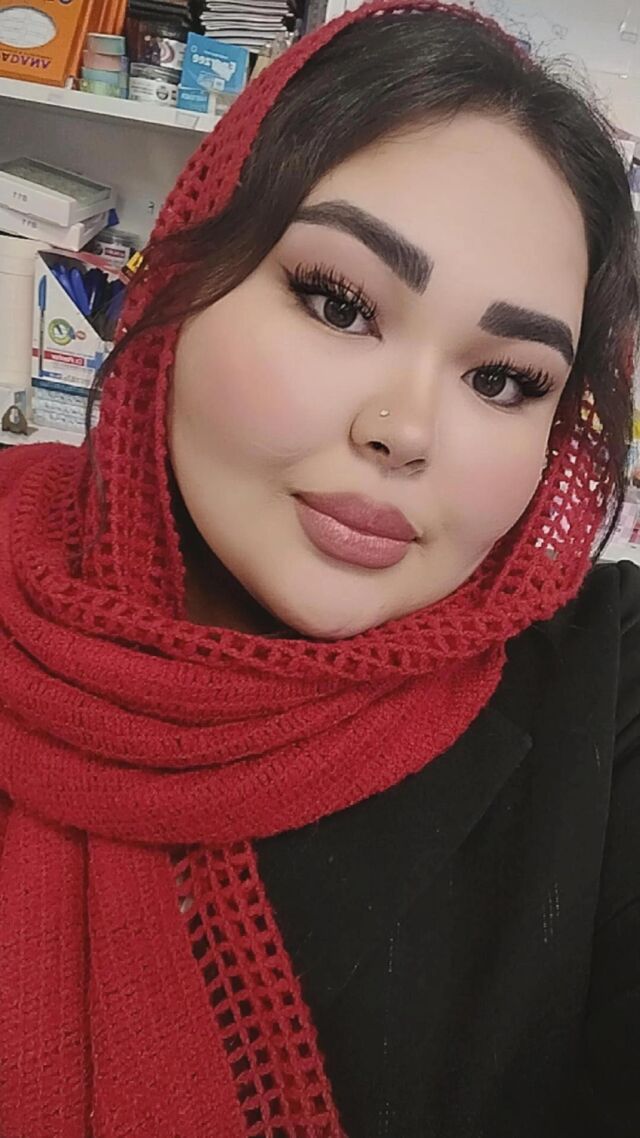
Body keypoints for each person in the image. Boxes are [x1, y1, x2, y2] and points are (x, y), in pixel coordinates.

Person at [0, 1, 638, 1135]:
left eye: (503, 380)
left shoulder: (606, 686)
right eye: (339, 304)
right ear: (183, 280)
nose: (403, 431)